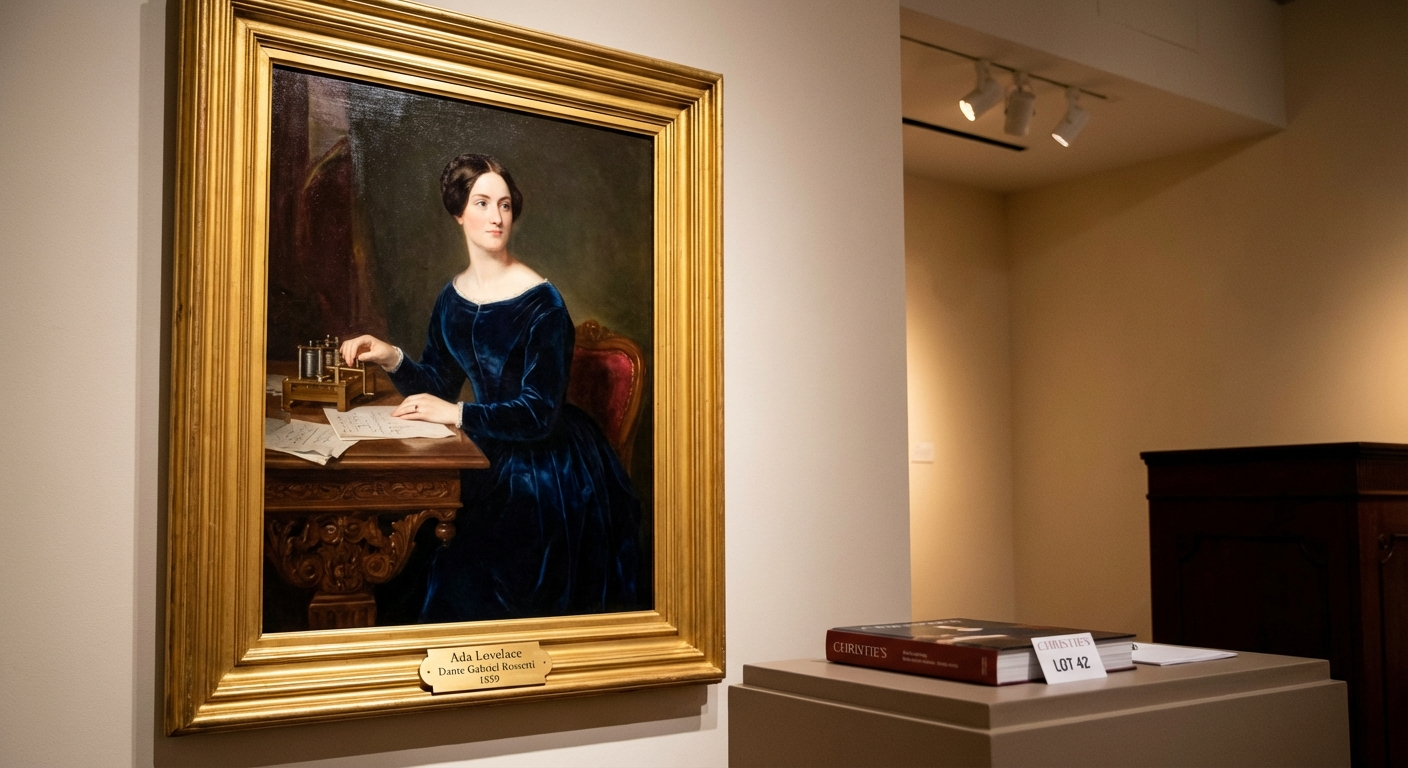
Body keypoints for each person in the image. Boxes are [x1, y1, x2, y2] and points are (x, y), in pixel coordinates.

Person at [340, 153, 645, 623]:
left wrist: (458, 415)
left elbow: (538, 413)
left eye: (504, 205)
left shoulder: (543, 303)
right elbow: (438, 385)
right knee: (422, 537)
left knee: (473, 558)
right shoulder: (452, 297)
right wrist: (391, 356)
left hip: (548, 466)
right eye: (482, 203)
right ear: (459, 212)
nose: (496, 217)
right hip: (486, 445)